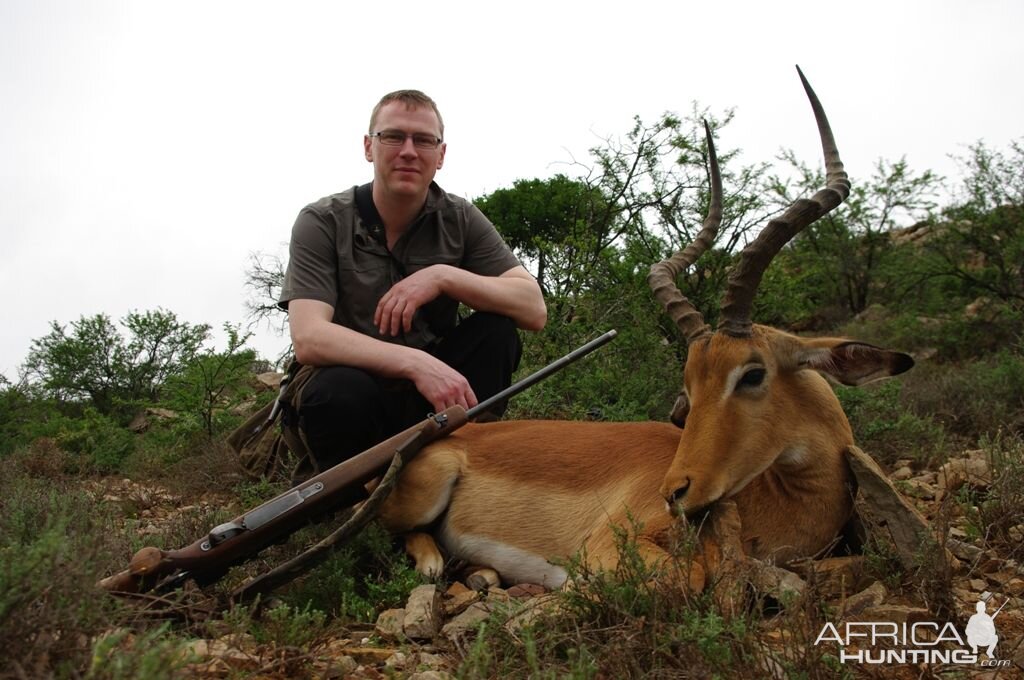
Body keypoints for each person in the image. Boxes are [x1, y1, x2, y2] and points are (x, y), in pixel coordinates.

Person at [278, 89, 546, 474]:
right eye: (393, 137)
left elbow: (533, 309)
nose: (408, 151)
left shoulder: (461, 218)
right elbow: (309, 337)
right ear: (369, 147)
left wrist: (443, 276)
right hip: (353, 393)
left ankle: (462, 474)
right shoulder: (322, 221)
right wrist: (416, 363)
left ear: (441, 155)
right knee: (337, 389)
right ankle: (351, 499)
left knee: (497, 332)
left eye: (423, 140)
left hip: (429, 401)